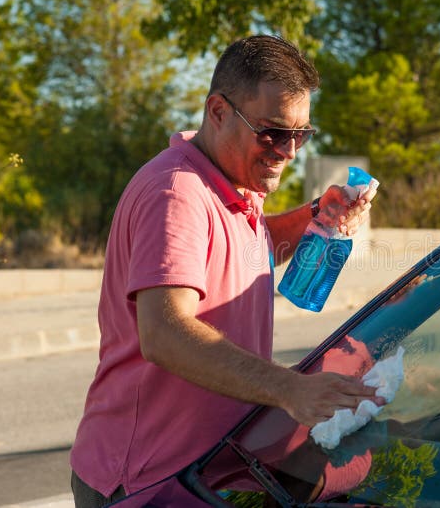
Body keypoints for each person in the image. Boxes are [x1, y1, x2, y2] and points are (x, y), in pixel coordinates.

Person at [69, 34, 381, 507]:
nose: (289, 151)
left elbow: (245, 252)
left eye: (301, 135)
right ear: (218, 112)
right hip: (145, 484)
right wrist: (288, 388)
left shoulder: (229, 185)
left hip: (199, 475)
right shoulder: (177, 193)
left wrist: (317, 215)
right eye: (274, 132)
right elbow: (166, 333)